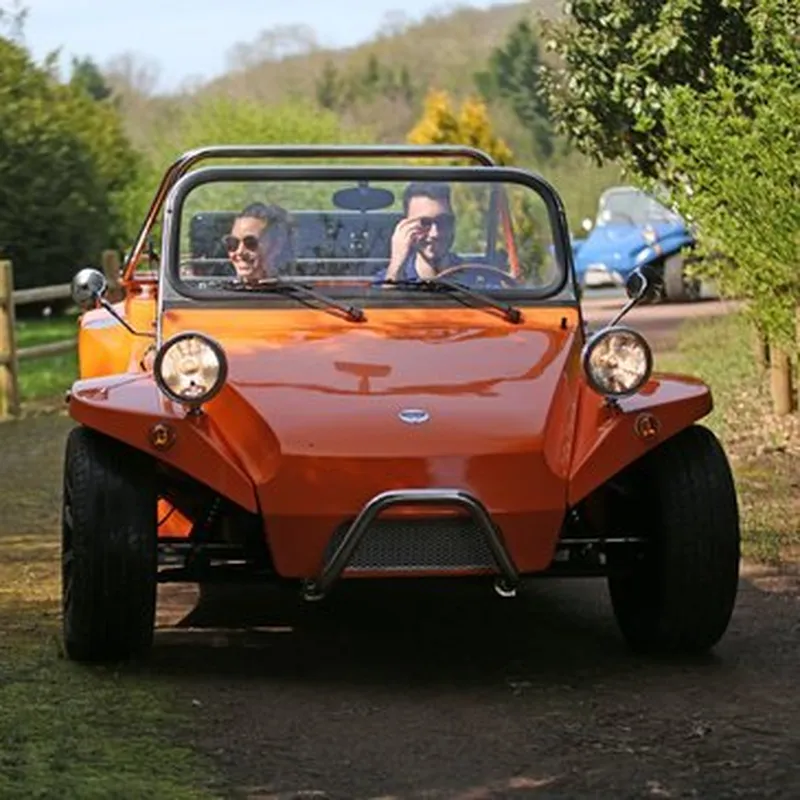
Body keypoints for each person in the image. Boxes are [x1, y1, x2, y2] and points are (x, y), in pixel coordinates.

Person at [376, 182, 463, 283]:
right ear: (405, 227)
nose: (435, 233)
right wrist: (396, 269)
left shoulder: (474, 276)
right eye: (424, 223)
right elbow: (386, 292)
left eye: (443, 220)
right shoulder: (388, 278)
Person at [222, 201, 294, 282]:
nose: (239, 252)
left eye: (250, 243)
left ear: (276, 246)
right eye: (233, 243)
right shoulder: (217, 289)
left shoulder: (296, 289)